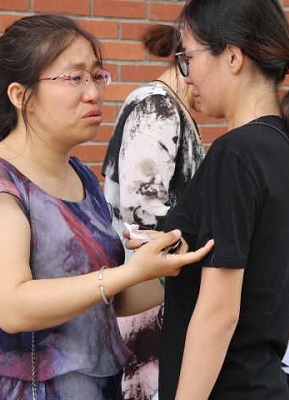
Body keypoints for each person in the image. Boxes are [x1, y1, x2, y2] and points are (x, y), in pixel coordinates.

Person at [0, 14, 213, 400]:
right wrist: (125, 274)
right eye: (75, 78)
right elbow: (13, 307)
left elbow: (109, 301)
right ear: (21, 96)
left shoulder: (81, 177)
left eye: (97, 76)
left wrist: (172, 268)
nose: (93, 93)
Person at [150, 0, 289, 398]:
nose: (186, 75)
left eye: (188, 58)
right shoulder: (287, 148)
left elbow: (219, 313)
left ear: (233, 57)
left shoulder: (236, 153)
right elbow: (286, 286)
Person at [102, 23, 205, 400]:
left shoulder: (169, 107)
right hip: (146, 296)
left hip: (154, 289)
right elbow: (142, 211)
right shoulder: (156, 106)